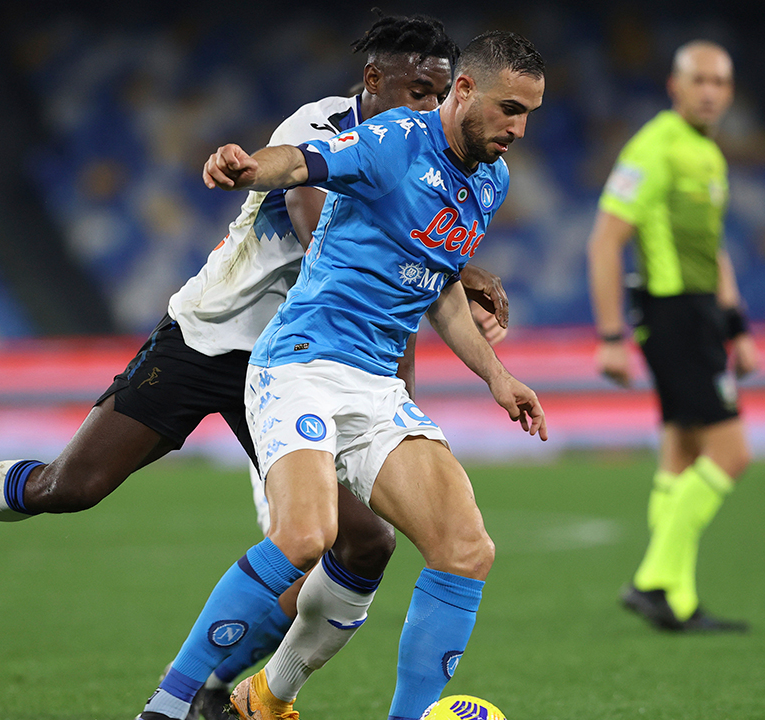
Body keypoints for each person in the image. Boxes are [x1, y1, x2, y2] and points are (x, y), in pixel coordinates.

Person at [0, 14, 504, 720]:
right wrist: (447, 260)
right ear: (373, 80)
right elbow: (315, 214)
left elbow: (398, 281)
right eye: (417, 90)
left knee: (363, 544)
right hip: (213, 337)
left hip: (310, 362)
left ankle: (251, 697)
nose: (429, 107)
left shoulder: (437, 162)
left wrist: (439, 285)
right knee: (70, 485)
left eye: (441, 95)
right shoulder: (321, 127)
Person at [137, 30, 546, 720]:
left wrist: (496, 377)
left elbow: (440, 286)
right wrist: (246, 166)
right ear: (465, 91)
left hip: (374, 386)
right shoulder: (394, 140)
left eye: (530, 113)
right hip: (300, 363)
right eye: (509, 108)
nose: (519, 128)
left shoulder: (489, 181)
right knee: (304, 536)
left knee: (467, 548)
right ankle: (168, 707)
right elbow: (303, 162)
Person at [587, 40, 758, 633]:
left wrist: (738, 330)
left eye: (720, 82)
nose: (710, 91)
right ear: (675, 86)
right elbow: (606, 240)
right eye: (699, 80)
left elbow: (710, 250)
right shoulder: (655, 147)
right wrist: (611, 336)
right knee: (731, 454)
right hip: (673, 316)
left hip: (702, 316)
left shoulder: (708, 153)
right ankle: (651, 580)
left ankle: (675, 600)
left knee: (682, 455)